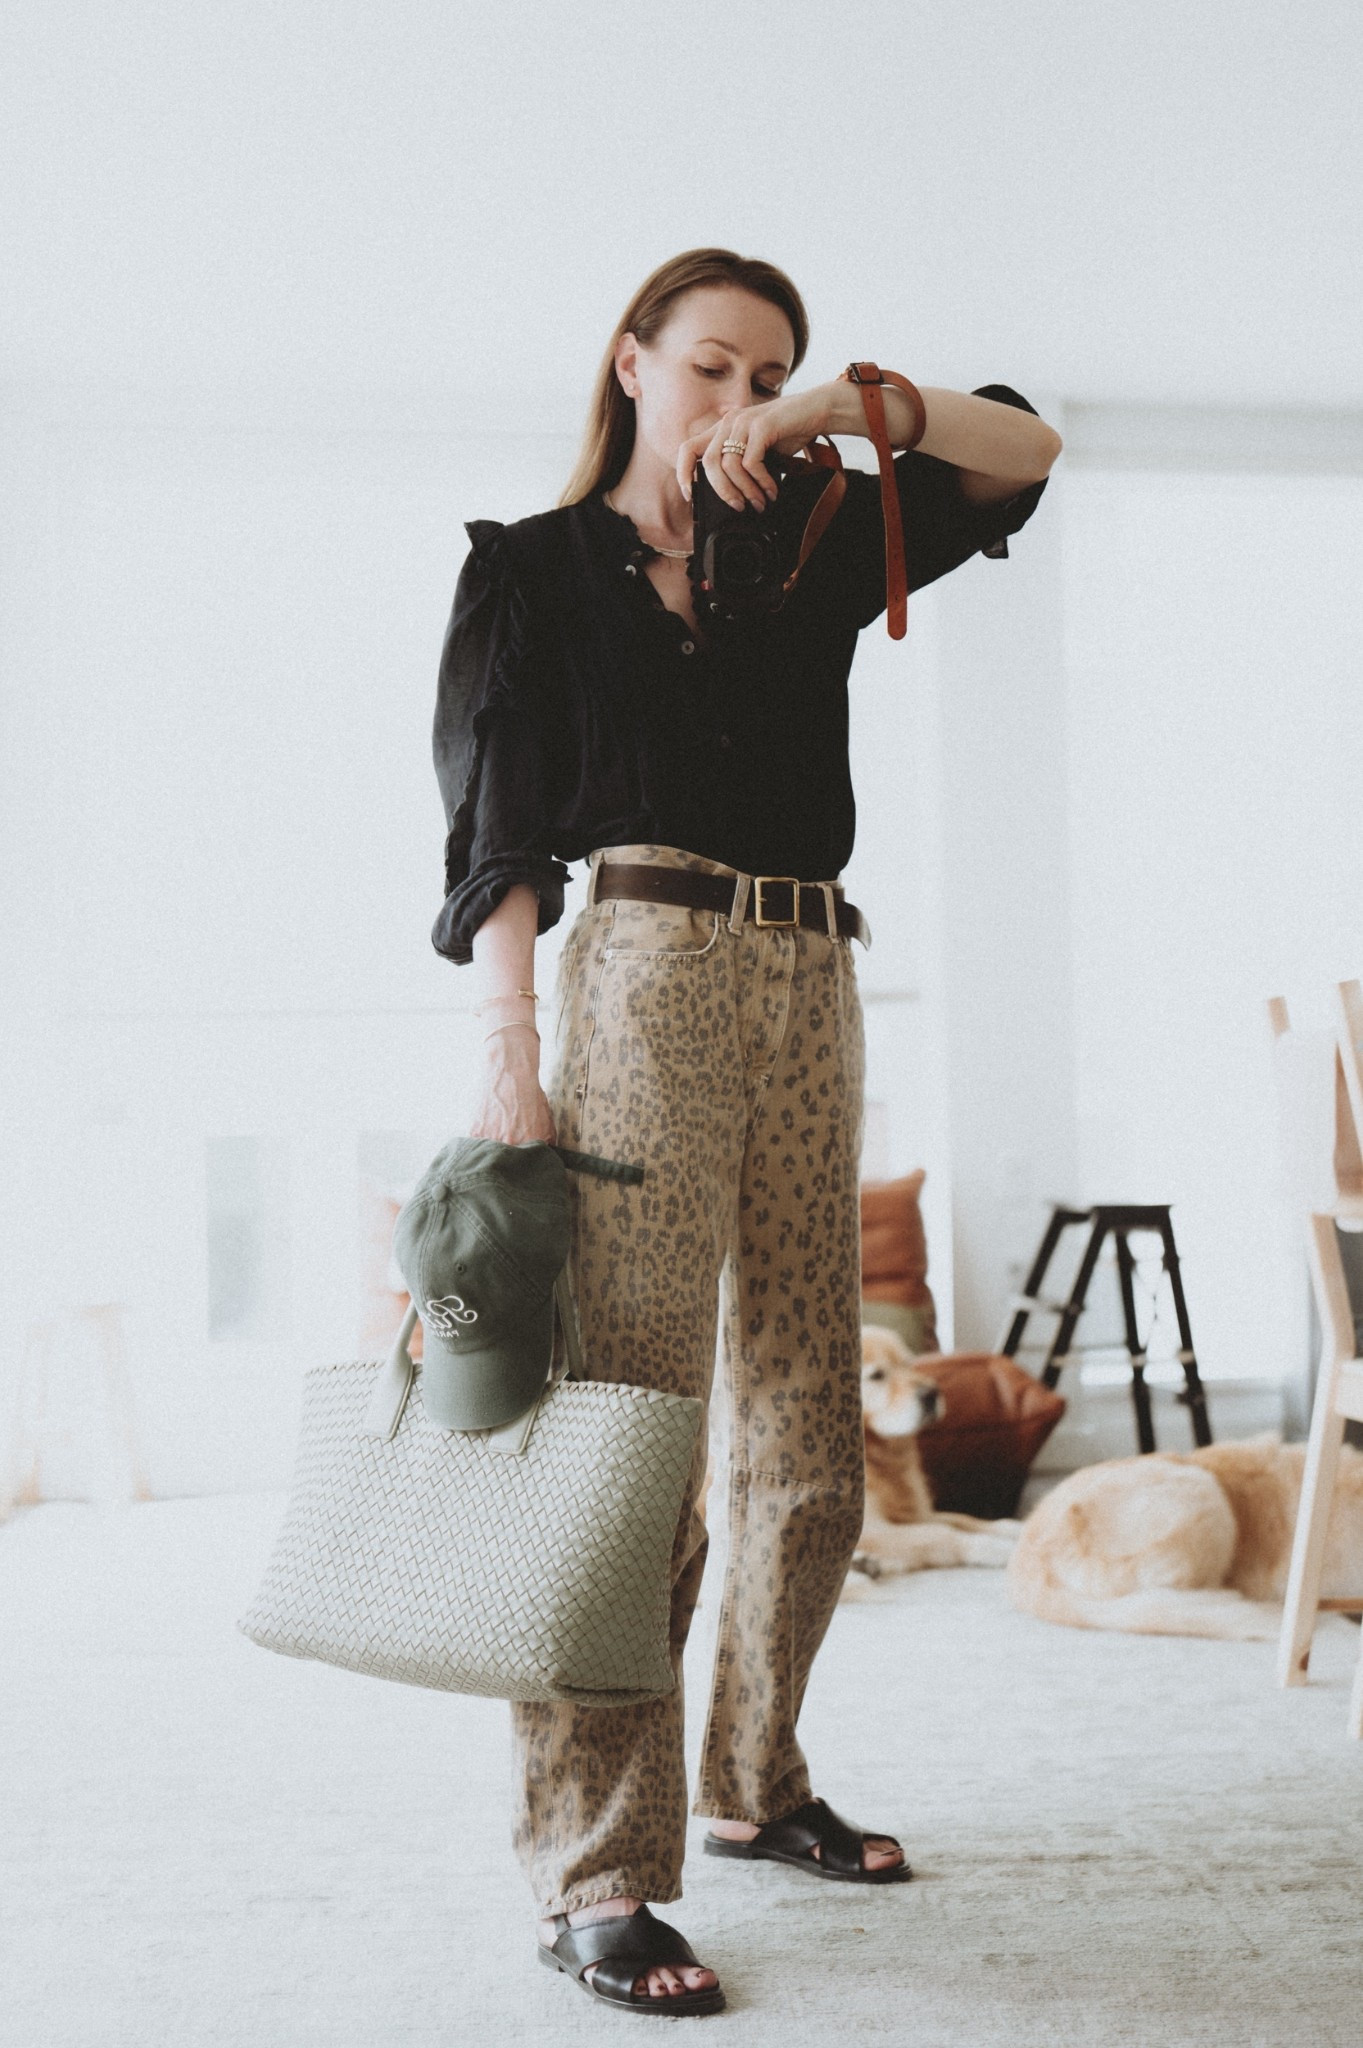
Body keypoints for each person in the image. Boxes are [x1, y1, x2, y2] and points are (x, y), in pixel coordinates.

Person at [430, 247, 1060, 2016]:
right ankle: (597, 1875)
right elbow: (494, 838)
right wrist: (509, 1046)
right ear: (631, 362)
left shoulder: (802, 538)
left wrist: (808, 425)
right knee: (629, 1444)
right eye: (710, 366)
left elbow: (1024, 447)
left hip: (812, 978)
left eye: (765, 372)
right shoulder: (532, 575)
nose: (734, 401)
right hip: (638, 974)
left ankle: (756, 1781)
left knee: (807, 1425)